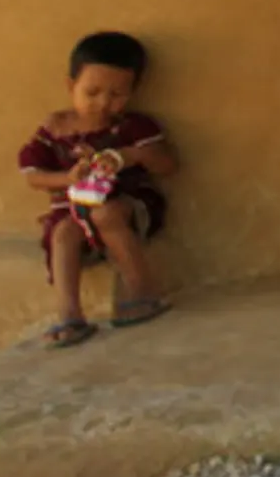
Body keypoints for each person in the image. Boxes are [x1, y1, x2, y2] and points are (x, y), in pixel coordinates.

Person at [18, 32, 178, 347]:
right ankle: (69, 314)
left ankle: (142, 290)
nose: (104, 103)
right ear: (70, 86)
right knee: (63, 233)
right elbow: (33, 176)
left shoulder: (133, 127)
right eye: (92, 92)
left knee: (105, 214)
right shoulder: (55, 130)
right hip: (74, 209)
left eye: (117, 93)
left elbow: (168, 165)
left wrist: (130, 155)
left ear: (134, 92)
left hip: (127, 205)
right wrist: (67, 179)